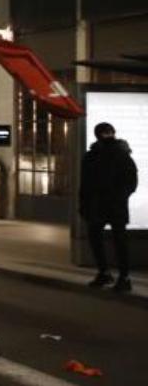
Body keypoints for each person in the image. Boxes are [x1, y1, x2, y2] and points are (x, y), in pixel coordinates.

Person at [80, 122, 138, 293]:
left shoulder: (97, 155)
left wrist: (84, 203)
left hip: (106, 205)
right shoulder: (119, 155)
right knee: (113, 239)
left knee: (112, 240)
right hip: (108, 205)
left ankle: (115, 275)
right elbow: (131, 182)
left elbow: (85, 184)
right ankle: (115, 275)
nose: (106, 135)